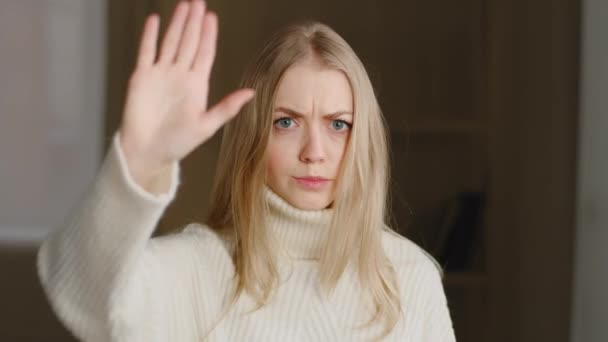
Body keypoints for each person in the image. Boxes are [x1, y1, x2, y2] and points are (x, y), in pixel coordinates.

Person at [37, 1, 456, 341]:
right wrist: (140, 163)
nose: (315, 151)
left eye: (338, 124)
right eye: (286, 122)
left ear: (362, 139)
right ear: (253, 137)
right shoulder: (198, 270)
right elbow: (84, 299)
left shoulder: (408, 277)